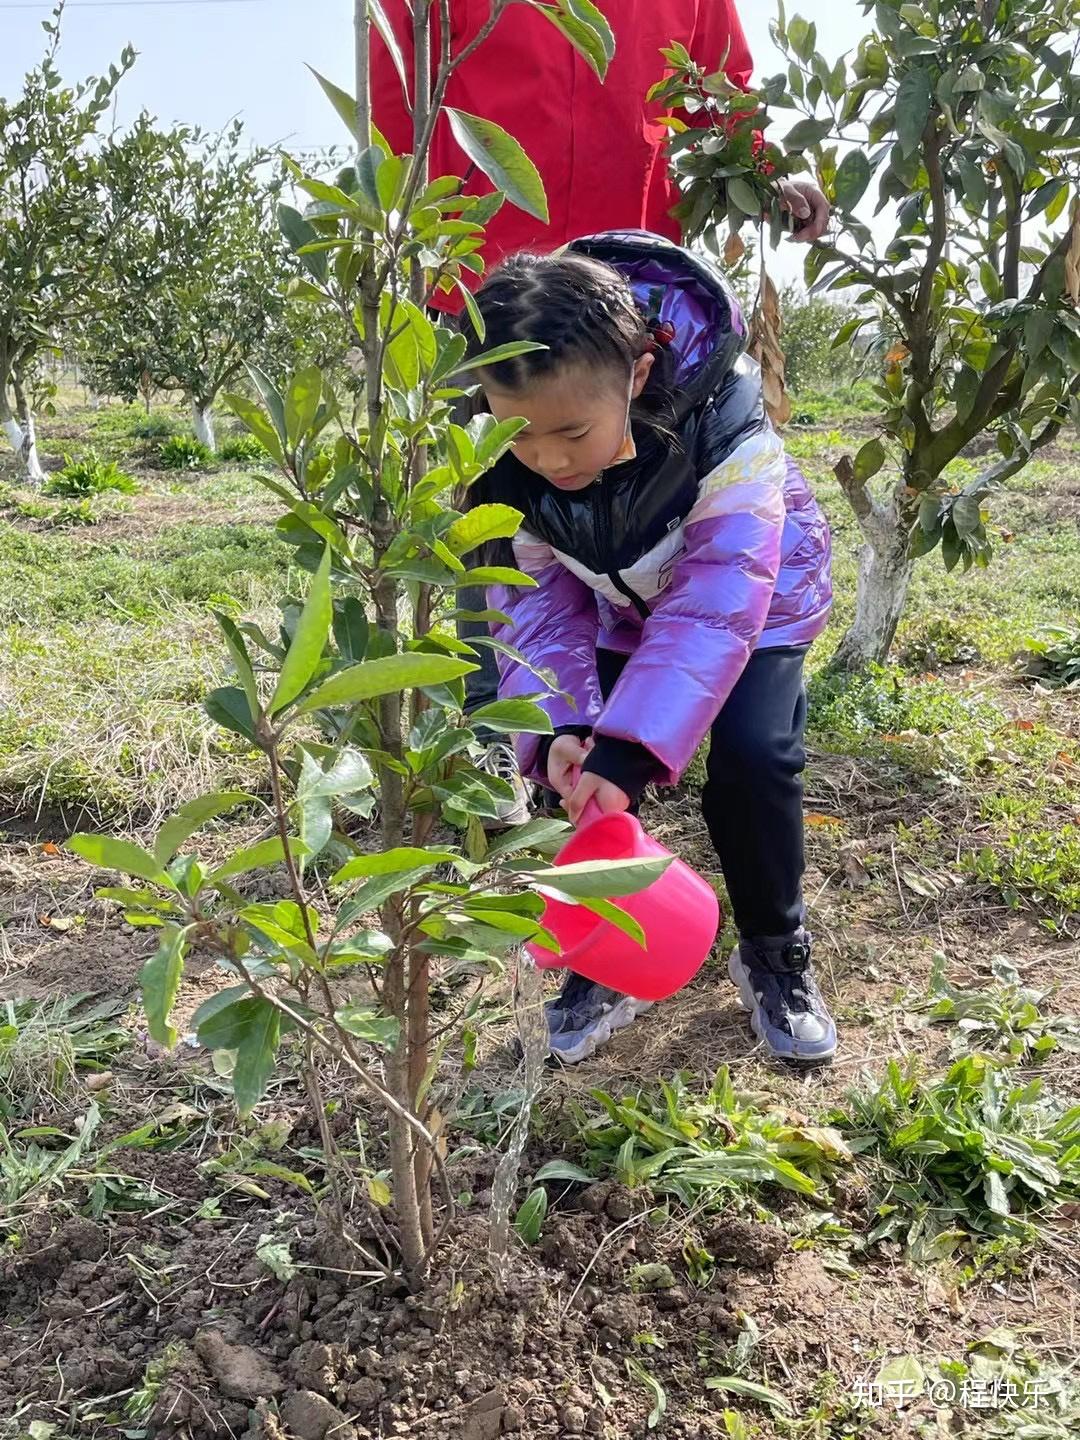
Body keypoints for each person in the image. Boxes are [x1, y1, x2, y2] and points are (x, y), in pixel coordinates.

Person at [372, 1, 830, 826]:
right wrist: (402, 228)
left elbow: (716, 83)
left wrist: (763, 168)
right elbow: (399, 84)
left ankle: (642, 714)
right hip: (487, 291)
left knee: (662, 513)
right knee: (501, 524)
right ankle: (506, 739)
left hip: (626, 296)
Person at [465, 230, 835, 1066]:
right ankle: (611, 945)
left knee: (755, 757)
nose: (547, 458)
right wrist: (563, 722)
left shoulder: (723, 426)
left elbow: (716, 597)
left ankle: (774, 950)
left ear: (635, 375)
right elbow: (536, 605)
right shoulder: (507, 456)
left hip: (757, 595)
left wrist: (632, 746)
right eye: (518, 436)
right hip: (620, 607)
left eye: (570, 432)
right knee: (593, 774)